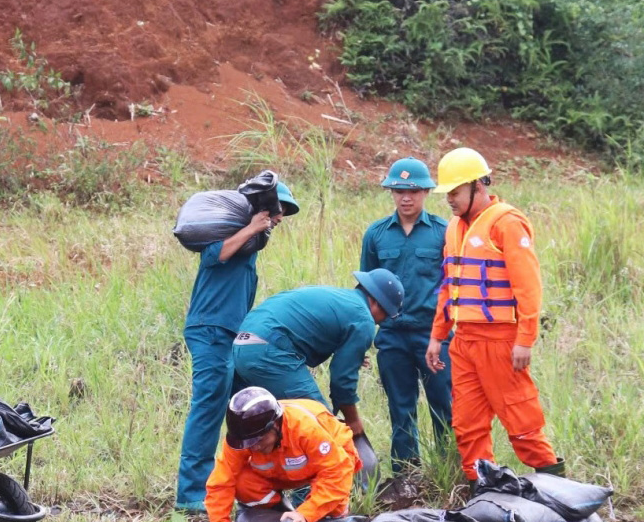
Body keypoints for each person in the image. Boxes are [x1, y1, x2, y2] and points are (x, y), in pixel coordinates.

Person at [426, 148, 565, 480]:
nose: (450, 200)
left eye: (455, 192)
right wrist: (437, 336)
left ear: (478, 185)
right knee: (467, 425)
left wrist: (525, 340)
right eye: (447, 193)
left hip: (501, 341)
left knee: (521, 420)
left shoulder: (507, 223)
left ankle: (557, 485)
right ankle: (483, 489)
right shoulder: (453, 229)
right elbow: (449, 286)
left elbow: (528, 287)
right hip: (464, 342)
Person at [174, 181, 299, 513]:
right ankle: (190, 492)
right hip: (211, 331)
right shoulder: (229, 239)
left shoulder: (250, 248)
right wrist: (253, 227)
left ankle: (237, 479)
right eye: (277, 211)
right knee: (208, 406)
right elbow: (217, 254)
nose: (280, 218)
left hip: (232, 336)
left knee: (242, 407)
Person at [359, 157, 453, 477]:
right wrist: (360, 339)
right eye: (398, 190)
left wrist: (443, 335)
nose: (405, 197)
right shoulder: (377, 235)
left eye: (412, 190)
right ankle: (406, 476)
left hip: (434, 336)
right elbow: (366, 292)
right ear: (391, 193)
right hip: (393, 335)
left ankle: (448, 470)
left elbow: (453, 286)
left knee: (444, 405)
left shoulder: (444, 232)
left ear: (426, 192)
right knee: (400, 409)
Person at [230, 269, 403, 441]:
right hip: (268, 351)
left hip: (240, 344)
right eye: (386, 315)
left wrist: (351, 356)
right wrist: (353, 421)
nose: (382, 321)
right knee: (321, 426)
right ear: (376, 303)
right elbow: (342, 381)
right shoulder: (364, 319)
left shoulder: (339, 298)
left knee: (255, 430)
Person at [205, 387, 359, 522]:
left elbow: (336, 473)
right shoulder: (242, 439)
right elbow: (221, 482)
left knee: (332, 512)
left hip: (331, 462)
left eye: (258, 441)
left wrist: (306, 514)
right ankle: (278, 519)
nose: (254, 448)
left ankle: (329, 518)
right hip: (280, 470)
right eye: (248, 444)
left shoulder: (305, 429)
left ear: (275, 426)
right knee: (243, 483)